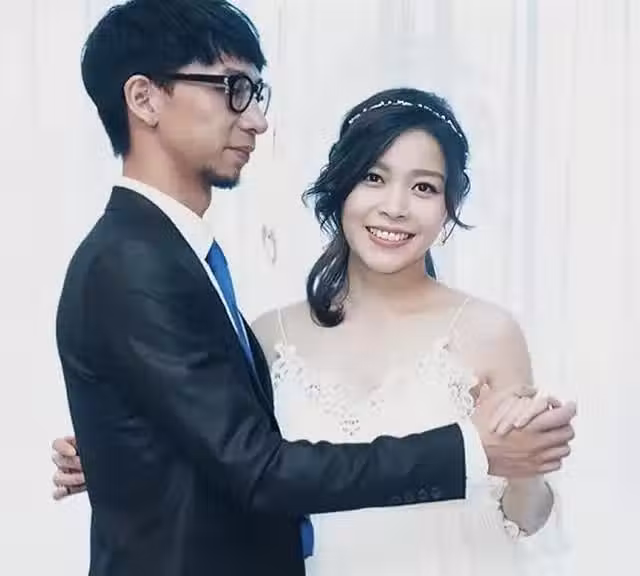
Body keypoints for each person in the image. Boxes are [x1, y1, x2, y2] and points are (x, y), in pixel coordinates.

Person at [53, 1, 576, 575]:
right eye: (234, 90)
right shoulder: (149, 269)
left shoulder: (488, 331)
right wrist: (122, 452)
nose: (257, 120)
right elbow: (255, 466)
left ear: (450, 206)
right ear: (145, 99)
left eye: (425, 188)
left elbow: (214, 438)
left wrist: (128, 447)